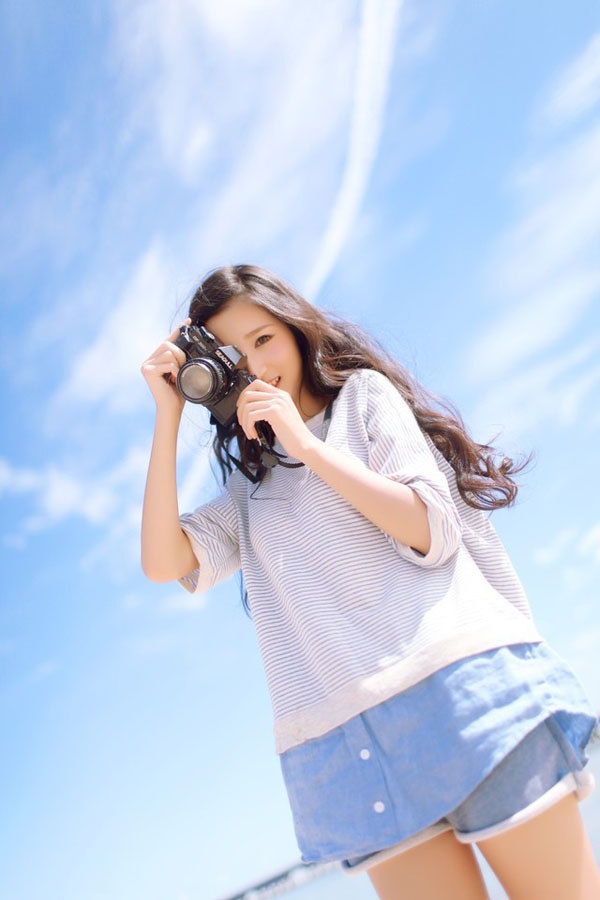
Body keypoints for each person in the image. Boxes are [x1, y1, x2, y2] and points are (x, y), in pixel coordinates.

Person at [140, 264, 600, 899]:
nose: (255, 364)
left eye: (264, 339)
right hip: (352, 747)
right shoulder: (249, 490)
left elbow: (432, 530)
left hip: (461, 692)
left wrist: (306, 445)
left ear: (295, 329)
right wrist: (166, 415)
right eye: (232, 354)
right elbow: (166, 563)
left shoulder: (362, 399)